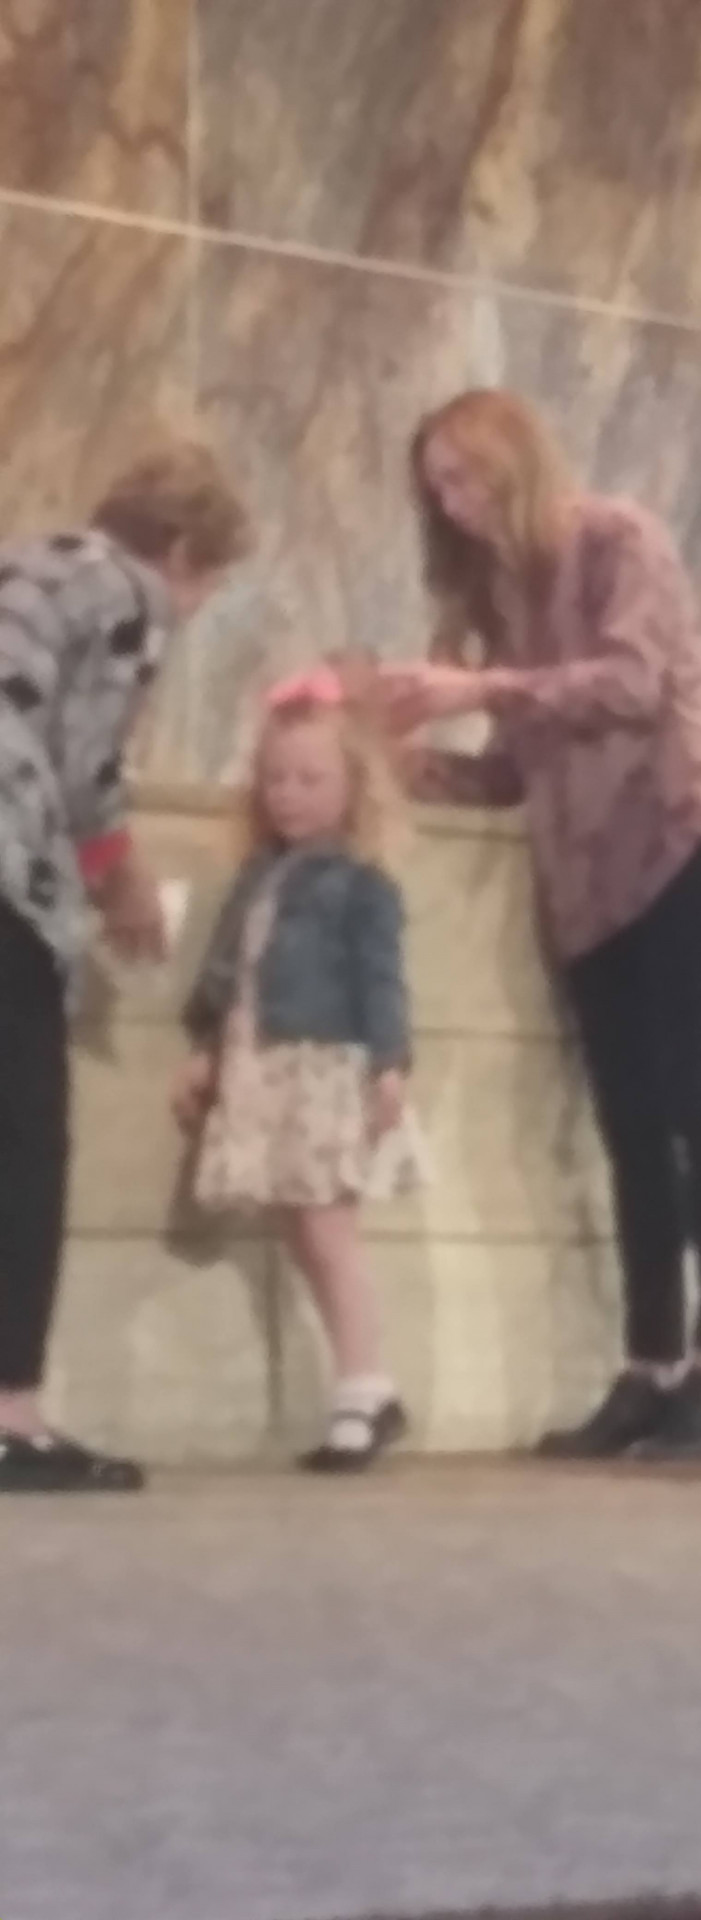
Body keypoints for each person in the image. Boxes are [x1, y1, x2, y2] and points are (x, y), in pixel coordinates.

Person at [381, 389, 701, 1461]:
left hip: (682, 839)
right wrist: (423, 768)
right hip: (587, 879)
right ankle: (649, 1363)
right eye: (437, 488)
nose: (455, 503)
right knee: (629, 1119)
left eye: (466, 475)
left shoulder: (616, 538)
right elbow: (521, 764)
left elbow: (632, 684)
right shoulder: (503, 594)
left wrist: (479, 685)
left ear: (516, 458)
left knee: (697, 1096)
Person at [0, 443, 252, 1493]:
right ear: (183, 551)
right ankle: (11, 1414)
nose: (195, 608)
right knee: (22, 1139)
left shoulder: (30, 561)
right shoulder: (128, 592)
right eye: (210, 584)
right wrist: (121, 880)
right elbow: (84, 763)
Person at [174, 673, 420, 1473]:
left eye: (311, 779)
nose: (288, 794)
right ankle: (366, 1386)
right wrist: (206, 1052)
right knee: (299, 1227)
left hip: (323, 1067)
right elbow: (225, 974)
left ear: (353, 787)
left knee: (328, 1228)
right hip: (264, 1065)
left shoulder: (362, 882)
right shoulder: (258, 876)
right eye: (276, 778)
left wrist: (390, 1065)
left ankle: (364, 1387)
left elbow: (383, 981)